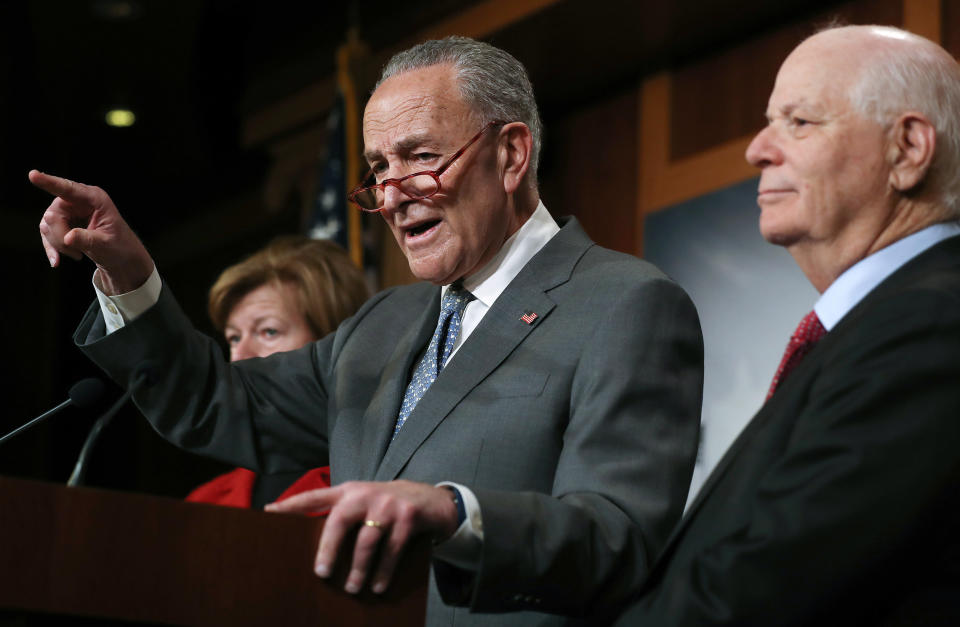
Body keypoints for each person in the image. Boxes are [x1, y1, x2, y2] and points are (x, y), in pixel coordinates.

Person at [34, 36, 704, 625]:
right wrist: (127, 273)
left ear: (511, 154)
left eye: (417, 158)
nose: (389, 196)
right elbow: (216, 403)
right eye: (379, 168)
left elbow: (618, 538)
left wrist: (456, 512)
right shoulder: (382, 324)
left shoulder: (624, 304)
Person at [614, 25, 960, 625]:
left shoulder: (932, 320)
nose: (757, 149)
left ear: (907, 150)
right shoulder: (881, 323)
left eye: (799, 122)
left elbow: (766, 588)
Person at [185, 236, 369, 509]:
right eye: (234, 338)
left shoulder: (377, 485)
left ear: (331, 343)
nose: (238, 357)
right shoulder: (203, 503)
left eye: (268, 331)